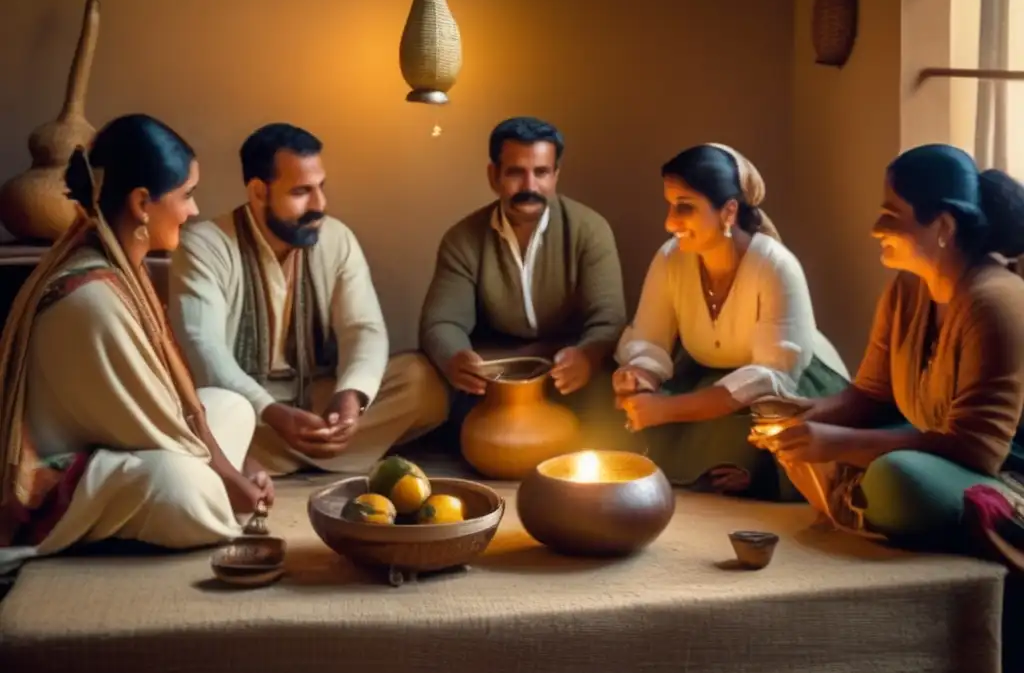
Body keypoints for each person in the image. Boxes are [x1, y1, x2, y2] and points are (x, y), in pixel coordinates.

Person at [0, 114, 268, 572]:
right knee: (185, 488)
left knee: (232, 406)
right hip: (60, 478)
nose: (194, 210)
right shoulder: (91, 299)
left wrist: (232, 472)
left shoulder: (118, 261)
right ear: (143, 202)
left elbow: (168, 409)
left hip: (120, 437)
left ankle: (204, 487)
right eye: (186, 195)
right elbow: (158, 424)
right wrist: (229, 478)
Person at [753, 143, 1024, 553]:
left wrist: (837, 443)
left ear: (944, 227)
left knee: (896, 478)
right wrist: (803, 417)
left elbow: (978, 448)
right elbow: (871, 395)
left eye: (891, 216)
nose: (875, 228)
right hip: (934, 448)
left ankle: (879, 501)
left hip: (1002, 473)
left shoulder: (994, 301)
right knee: (802, 436)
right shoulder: (907, 287)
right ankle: (865, 502)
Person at [168, 123, 447, 477]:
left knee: (423, 385)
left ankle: (278, 455)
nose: (320, 205)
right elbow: (203, 349)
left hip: (317, 398)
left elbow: (363, 329)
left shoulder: (335, 238)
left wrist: (351, 399)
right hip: (244, 404)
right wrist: (269, 411)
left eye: (320, 187)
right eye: (301, 191)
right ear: (258, 192)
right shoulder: (205, 245)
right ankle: (321, 451)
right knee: (197, 416)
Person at [614, 143, 849, 501]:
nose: (670, 221)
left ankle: (755, 473)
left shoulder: (775, 265)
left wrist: (667, 409)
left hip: (789, 388)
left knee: (763, 436)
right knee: (626, 423)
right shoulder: (670, 259)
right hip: (709, 377)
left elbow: (772, 375)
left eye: (685, 207)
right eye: (670, 205)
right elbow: (651, 339)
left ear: (728, 212)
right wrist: (641, 374)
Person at [419, 116, 628, 447]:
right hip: (496, 378)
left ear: (556, 175)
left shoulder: (590, 230)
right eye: (516, 172)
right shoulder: (463, 239)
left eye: (542, 172)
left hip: (567, 373)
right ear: (494, 175)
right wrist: (456, 357)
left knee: (616, 406)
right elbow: (441, 322)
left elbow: (609, 319)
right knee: (424, 381)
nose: (530, 186)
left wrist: (589, 355)